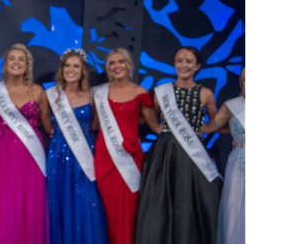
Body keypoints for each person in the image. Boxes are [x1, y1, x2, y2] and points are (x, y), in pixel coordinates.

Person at [135, 47, 222, 244]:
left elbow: (216, 121)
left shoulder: (206, 94)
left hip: (194, 154)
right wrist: (156, 127)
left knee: (190, 200)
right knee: (162, 200)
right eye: (179, 60)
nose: (184, 65)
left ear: (197, 66)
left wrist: (203, 129)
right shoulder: (162, 91)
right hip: (166, 153)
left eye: (189, 61)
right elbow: (149, 114)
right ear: (174, 64)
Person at [0, 43, 49, 244]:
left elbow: (47, 124)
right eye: (12, 58)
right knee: (2, 202)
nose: (16, 63)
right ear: (4, 63)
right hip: (0, 153)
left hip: (30, 154)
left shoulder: (38, 92)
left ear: (27, 64)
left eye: (21, 59)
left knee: (29, 202)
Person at [45, 48, 108, 244]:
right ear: (62, 69)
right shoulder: (51, 94)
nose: (71, 70)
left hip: (84, 154)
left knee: (85, 201)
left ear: (83, 71)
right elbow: (47, 124)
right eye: (68, 65)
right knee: (60, 199)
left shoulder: (92, 95)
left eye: (76, 66)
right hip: (58, 152)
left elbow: (97, 124)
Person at [93, 48, 154, 244]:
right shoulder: (98, 93)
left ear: (129, 66)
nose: (117, 66)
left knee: (130, 209)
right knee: (107, 209)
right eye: (112, 63)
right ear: (108, 68)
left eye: (121, 62)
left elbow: (153, 124)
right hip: (105, 157)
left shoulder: (141, 93)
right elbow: (94, 124)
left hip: (129, 156)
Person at [201, 69, 247, 244]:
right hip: (239, 164)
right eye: (246, 79)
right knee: (235, 208)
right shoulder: (232, 105)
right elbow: (211, 126)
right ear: (241, 83)